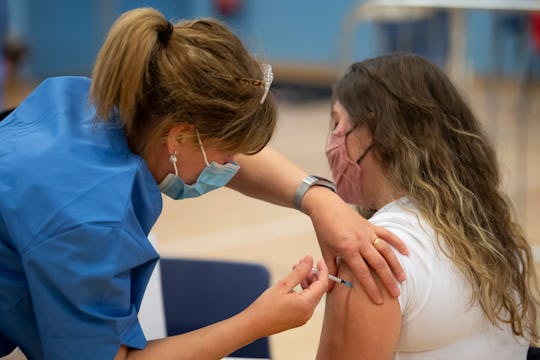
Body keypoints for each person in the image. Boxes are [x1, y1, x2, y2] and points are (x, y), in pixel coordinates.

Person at [0, 8, 407, 359]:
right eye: (226, 156)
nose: (231, 167)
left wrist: (318, 200)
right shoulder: (89, 222)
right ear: (178, 137)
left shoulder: (89, 100)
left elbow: (221, 143)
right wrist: (256, 322)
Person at [315, 53, 540, 359]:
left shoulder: (374, 256)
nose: (332, 141)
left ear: (371, 130)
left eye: (338, 122)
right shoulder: (489, 230)